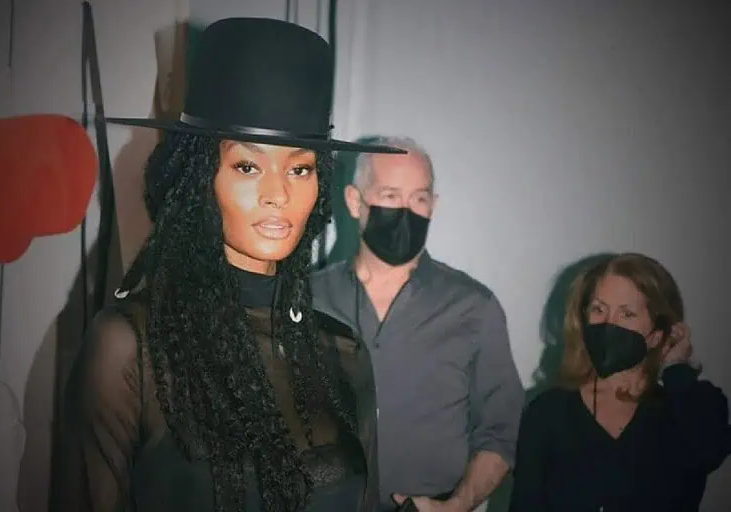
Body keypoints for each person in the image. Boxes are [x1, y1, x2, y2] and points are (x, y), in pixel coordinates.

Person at [57, 18, 406, 512]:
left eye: (299, 168)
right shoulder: (131, 349)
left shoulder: (343, 353)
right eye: (248, 166)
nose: (278, 193)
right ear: (202, 176)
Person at [311, 136, 525, 512]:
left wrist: (457, 505)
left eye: (419, 199)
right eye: (391, 196)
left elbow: (500, 434)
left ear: (433, 206)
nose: (406, 211)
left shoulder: (475, 308)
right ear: (354, 201)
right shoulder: (307, 298)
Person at [508, 252, 731, 512]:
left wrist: (676, 368)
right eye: (599, 309)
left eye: (626, 314)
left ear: (657, 334)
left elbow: (709, 449)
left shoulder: (689, 407)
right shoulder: (547, 412)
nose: (608, 324)